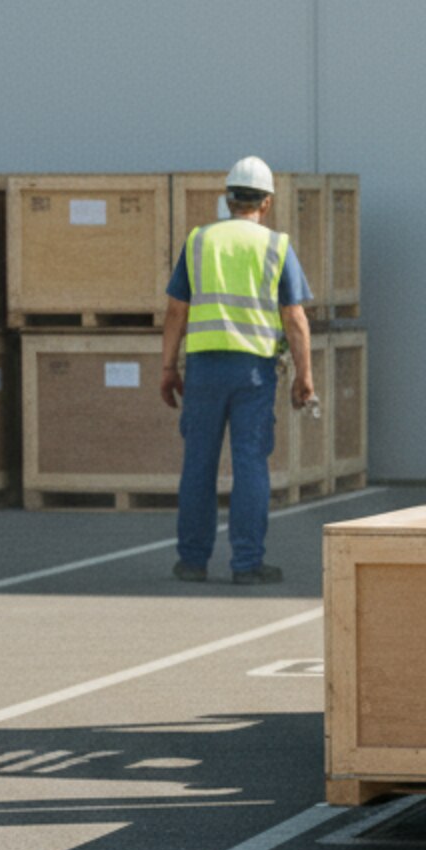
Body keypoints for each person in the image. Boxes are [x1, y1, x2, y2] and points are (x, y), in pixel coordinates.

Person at [159, 156, 314, 584]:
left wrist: (168, 368)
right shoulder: (276, 246)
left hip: (205, 369)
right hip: (254, 372)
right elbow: (295, 318)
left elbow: (176, 311)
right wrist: (305, 376)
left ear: (228, 200)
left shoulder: (198, 241)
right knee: (250, 465)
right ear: (266, 203)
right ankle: (246, 564)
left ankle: (192, 561)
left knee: (198, 465)